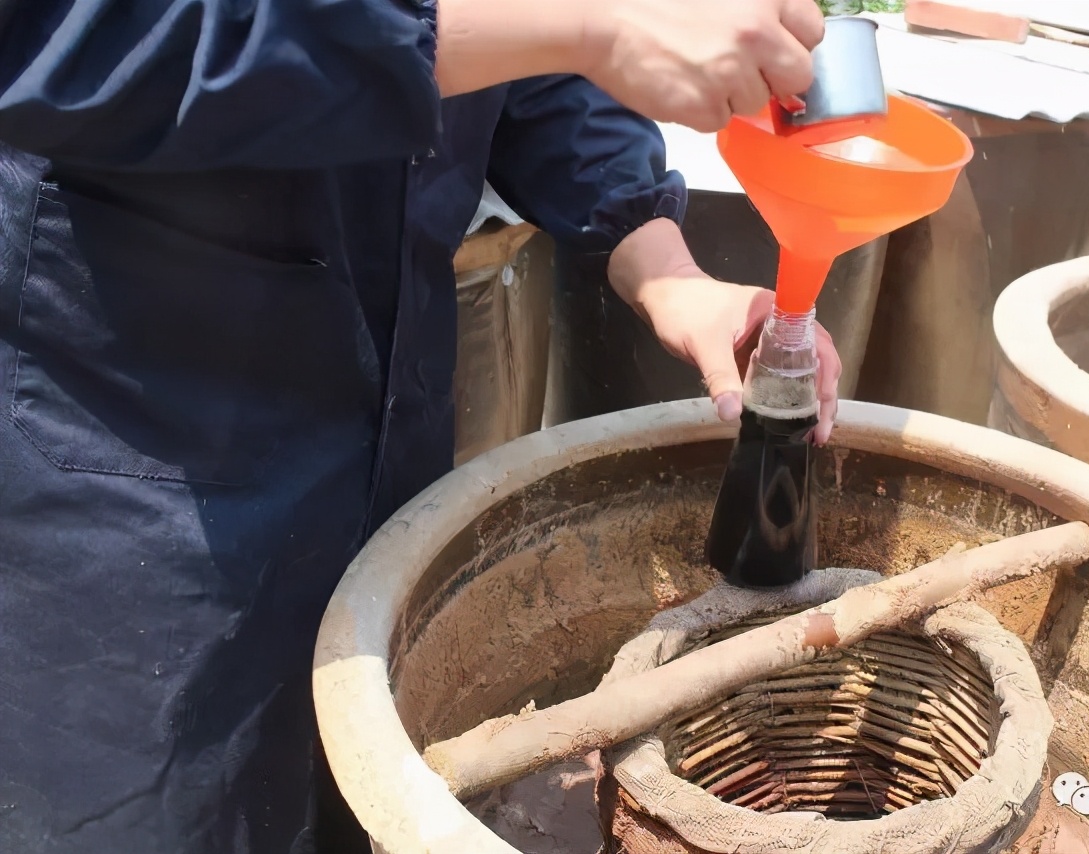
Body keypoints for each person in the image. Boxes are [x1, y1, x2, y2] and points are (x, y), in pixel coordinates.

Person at [0, 1, 843, 852]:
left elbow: (527, 71)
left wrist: (662, 264)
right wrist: (589, 25)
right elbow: (84, 33)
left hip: (382, 414)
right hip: (137, 452)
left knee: (361, 786)